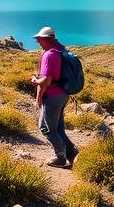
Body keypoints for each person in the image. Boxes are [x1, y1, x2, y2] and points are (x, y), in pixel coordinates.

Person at [29, 26, 78, 168]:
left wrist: (34, 80)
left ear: (46, 39)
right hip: (63, 94)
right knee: (58, 129)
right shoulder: (61, 50)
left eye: (39, 39)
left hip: (53, 97)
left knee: (46, 128)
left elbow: (46, 80)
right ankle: (73, 155)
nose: (38, 41)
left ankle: (60, 157)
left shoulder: (49, 55)